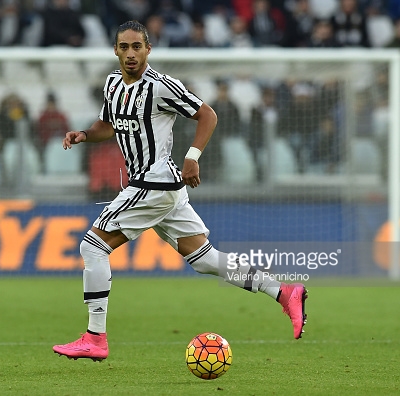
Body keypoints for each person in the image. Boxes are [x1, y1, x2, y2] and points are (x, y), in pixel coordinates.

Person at [52, 20, 308, 362]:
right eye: (124, 47)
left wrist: (192, 157)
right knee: (204, 260)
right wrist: (84, 134)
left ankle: (95, 337)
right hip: (160, 188)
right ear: (115, 50)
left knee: (93, 247)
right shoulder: (113, 84)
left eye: (137, 47)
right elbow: (108, 125)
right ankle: (284, 291)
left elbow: (208, 115)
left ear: (148, 50)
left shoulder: (160, 86)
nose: (131, 54)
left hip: (153, 182)